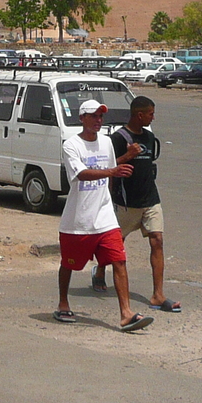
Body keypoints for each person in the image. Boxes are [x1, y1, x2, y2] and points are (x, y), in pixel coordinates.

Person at [53, 99, 152, 333]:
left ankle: (126, 314)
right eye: (94, 116)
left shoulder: (106, 142)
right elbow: (82, 174)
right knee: (69, 265)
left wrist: (125, 159)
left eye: (101, 116)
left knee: (119, 261)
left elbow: (110, 166)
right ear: (82, 118)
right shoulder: (71, 145)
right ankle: (63, 302)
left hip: (105, 217)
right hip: (78, 221)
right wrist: (112, 171)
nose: (98, 120)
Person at [90, 97, 177, 312]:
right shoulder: (118, 138)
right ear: (139, 115)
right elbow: (106, 166)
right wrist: (127, 156)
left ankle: (158, 295)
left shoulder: (149, 136)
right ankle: (100, 270)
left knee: (157, 240)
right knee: (114, 243)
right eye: (150, 113)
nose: (153, 117)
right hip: (126, 203)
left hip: (150, 199)